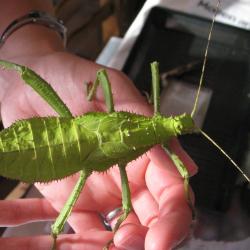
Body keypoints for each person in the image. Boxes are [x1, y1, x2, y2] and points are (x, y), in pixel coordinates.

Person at [0, 1, 197, 249]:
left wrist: (29, 52)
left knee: (23, 71)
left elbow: (107, 75)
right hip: (51, 147)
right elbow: (133, 204)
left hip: (52, 141)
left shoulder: (144, 125)